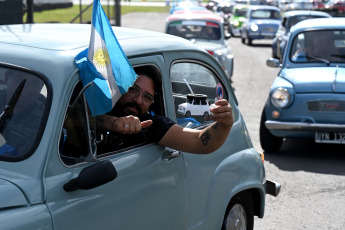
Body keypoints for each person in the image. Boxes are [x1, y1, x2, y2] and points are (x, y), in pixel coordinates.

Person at [97, 66, 233, 154]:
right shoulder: (95, 106)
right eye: (133, 90)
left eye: (147, 97)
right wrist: (111, 122)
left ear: (151, 103)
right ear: (120, 88)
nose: (138, 100)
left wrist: (225, 124)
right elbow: (77, 117)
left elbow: (199, 141)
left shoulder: (150, 124)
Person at [0, 69, 45, 156]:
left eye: (35, 83)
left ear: (42, 86)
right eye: (19, 79)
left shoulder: (47, 118)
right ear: (6, 77)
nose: (26, 89)